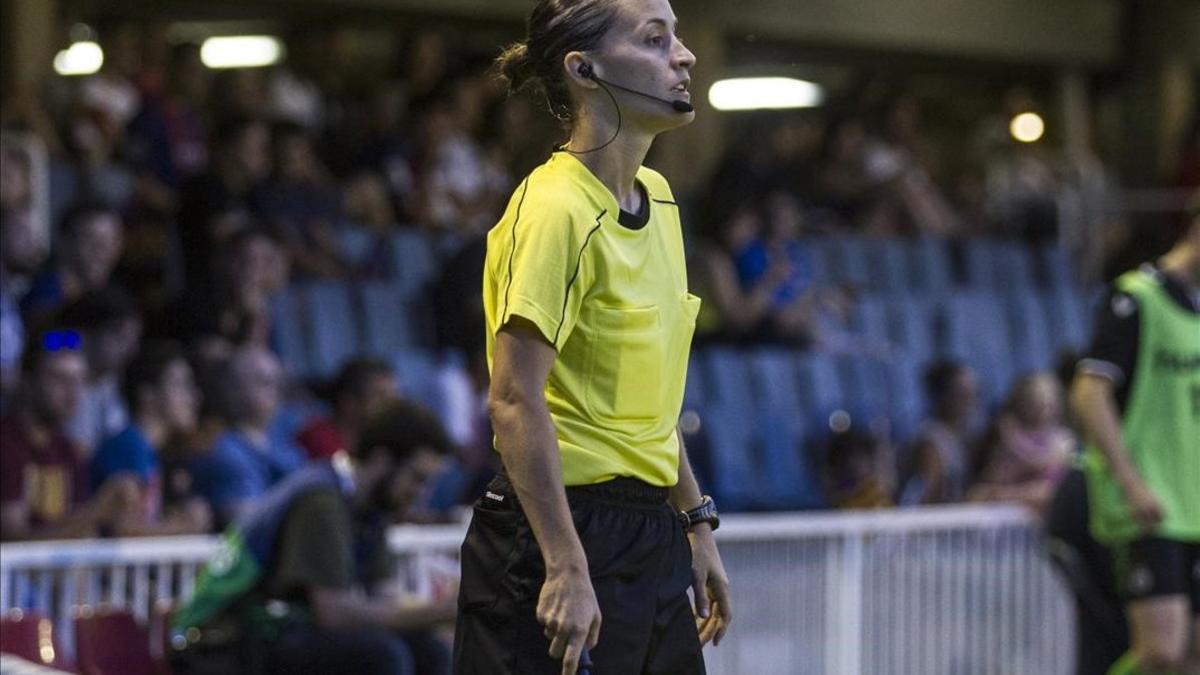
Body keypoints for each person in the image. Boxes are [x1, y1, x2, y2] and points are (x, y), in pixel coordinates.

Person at [455, 2, 732, 674]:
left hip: (651, 531)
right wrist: (564, 564)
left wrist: (695, 522)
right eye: (656, 40)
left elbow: (650, 404)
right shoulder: (554, 209)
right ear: (586, 70)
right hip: (555, 530)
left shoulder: (661, 200)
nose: (685, 56)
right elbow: (514, 399)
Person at [172, 400, 456, 675]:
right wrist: (445, 611)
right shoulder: (322, 501)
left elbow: (386, 599)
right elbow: (334, 615)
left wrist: (445, 610)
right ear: (381, 461)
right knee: (382, 655)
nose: (423, 494)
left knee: (430, 650)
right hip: (222, 640)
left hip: (273, 630)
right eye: (418, 478)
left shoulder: (371, 510)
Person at [1069, 192, 1200, 675]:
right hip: (1151, 502)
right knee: (1161, 651)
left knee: (1192, 657)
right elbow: (1089, 393)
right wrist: (1130, 480)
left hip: (1195, 501)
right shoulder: (1136, 297)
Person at [0, 327, 138, 540]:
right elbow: (15, 540)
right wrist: (98, 510)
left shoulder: (68, 450)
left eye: (78, 381)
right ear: (27, 381)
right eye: (59, 379)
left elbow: (81, 531)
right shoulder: (7, 443)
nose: (73, 393)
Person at [91, 341, 212, 535]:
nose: (194, 396)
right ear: (148, 395)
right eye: (181, 385)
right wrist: (185, 526)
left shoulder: (152, 450)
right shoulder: (129, 446)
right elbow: (123, 530)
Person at [189, 345, 305, 529]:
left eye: (276, 382)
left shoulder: (286, 446)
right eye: (263, 382)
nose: (274, 391)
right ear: (234, 390)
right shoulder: (224, 452)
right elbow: (247, 529)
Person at [969, 372, 1075, 513]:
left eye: (1047, 402)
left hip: (1044, 501)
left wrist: (1012, 441)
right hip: (1011, 506)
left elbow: (1040, 463)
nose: (1043, 408)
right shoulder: (1007, 432)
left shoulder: (1063, 438)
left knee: (1043, 492)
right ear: (1022, 402)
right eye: (1036, 401)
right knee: (979, 492)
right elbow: (993, 478)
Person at [58, 288, 143, 455]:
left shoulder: (108, 381)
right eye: (122, 337)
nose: (132, 349)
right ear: (87, 334)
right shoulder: (59, 379)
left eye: (134, 340)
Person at [900, 361, 982, 506]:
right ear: (941, 395)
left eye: (974, 394)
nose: (969, 402)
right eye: (962, 394)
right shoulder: (930, 440)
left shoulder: (963, 435)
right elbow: (926, 492)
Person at [296, 357, 400, 460]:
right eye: (381, 397)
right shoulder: (318, 439)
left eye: (394, 397)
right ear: (349, 403)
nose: (392, 406)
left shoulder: (380, 443)